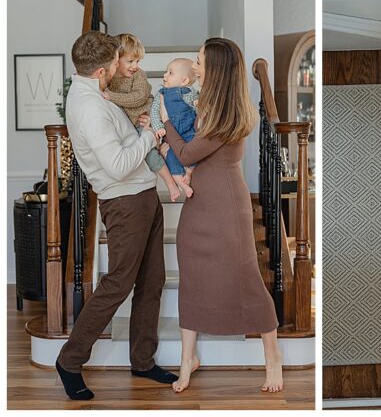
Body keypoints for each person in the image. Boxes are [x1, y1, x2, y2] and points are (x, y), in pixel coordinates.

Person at [56, 31, 178, 400]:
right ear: (100, 72)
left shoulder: (97, 94)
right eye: (113, 64)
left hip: (143, 196)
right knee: (118, 283)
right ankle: (70, 360)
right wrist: (150, 138)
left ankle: (142, 360)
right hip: (124, 202)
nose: (118, 68)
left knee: (152, 279)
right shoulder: (89, 107)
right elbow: (120, 164)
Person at [159, 37, 283, 393]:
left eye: (199, 61)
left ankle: (271, 357)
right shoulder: (203, 104)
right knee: (192, 281)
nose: (194, 67)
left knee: (247, 281)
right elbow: (189, 154)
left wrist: (165, 124)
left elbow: (185, 154)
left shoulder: (226, 113)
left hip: (226, 210)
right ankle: (187, 360)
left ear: (214, 68)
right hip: (198, 208)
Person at [104, 33, 182, 201]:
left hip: (147, 116)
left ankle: (171, 182)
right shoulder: (110, 79)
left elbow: (138, 97)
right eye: (130, 61)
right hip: (132, 123)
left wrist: (112, 96)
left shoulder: (139, 75)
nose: (135, 66)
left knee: (151, 154)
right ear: (116, 60)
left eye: (137, 61)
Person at [152, 58, 200, 198]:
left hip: (188, 133)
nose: (165, 75)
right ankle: (182, 185)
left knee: (195, 151)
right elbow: (154, 112)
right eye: (166, 72)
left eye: (170, 73)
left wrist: (198, 103)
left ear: (184, 81)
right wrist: (158, 127)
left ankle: (189, 173)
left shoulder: (190, 93)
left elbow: (197, 109)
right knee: (171, 160)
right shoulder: (161, 94)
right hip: (170, 137)